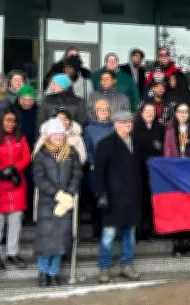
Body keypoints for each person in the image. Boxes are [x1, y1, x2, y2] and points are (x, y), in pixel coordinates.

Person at [94, 111, 144, 282]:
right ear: (115, 124)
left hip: (132, 197)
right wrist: (101, 194)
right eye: (124, 122)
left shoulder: (136, 143)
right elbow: (98, 172)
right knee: (108, 234)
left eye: (130, 121)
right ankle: (104, 268)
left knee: (129, 233)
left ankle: (126, 265)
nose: (128, 124)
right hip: (112, 198)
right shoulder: (105, 144)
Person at [32, 118, 82, 287]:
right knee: (46, 239)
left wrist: (69, 194)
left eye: (61, 134)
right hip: (47, 202)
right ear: (49, 136)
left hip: (66, 202)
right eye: (55, 135)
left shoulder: (72, 153)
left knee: (61, 239)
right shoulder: (41, 154)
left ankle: (53, 272)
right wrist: (57, 194)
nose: (59, 137)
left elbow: (77, 175)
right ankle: (43, 272)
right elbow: (39, 179)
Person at [0, 107, 31, 273]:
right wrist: (1, 171)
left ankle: (12, 253)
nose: (12, 124)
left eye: (14, 121)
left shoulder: (20, 137)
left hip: (17, 184)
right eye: (8, 120)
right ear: (0, 121)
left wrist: (14, 169)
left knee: (16, 221)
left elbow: (27, 157)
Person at [163, 102, 190, 256]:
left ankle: (186, 243)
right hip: (175, 175)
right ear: (175, 114)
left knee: (188, 209)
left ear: (189, 114)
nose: (183, 114)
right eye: (180, 112)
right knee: (176, 209)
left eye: (186, 112)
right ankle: (177, 243)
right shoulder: (169, 130)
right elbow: (167, 151)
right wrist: (171, 171)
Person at [132, 102, 165, 239]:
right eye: (147, 111)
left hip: (156, 170)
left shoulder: (161, 128)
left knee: (154, 199)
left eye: (153, 111)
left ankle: (154, 229)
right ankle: (140, 230)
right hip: (139, 169)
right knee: (141, 199)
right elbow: (134, 150)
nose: (150, 113)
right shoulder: (135, 128)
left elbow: (164, 148)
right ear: (141, 113)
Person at [83, 100, 114, 239]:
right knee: (96, 200)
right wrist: (93, 163)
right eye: (100, 109)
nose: (103, 112)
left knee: (111, 199)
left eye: (106, 109)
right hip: (95, 169)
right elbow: (87, 149)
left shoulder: (114, 127)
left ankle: (109, 229)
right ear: (95, 112)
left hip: (111, 169)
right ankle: (97, 231)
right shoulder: (89, 129)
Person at [14, 85, 39, 224]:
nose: (26, 102)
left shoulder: (38, 112)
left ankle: (29, 211)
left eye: (30, 100)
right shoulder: (13, 111)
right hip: (16, 150)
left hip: (33, 150)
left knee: (31, 181)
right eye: (23, 99)